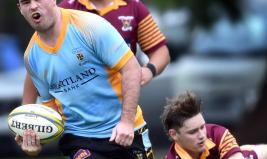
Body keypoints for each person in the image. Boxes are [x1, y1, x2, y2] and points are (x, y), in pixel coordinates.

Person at [16, 1, 202, 159]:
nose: (32, 6)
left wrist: (125, 122)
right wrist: (34, 142)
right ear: (20, 9)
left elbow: (132, 69)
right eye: (24, 2)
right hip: (81, 136)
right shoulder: (32, 56)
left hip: (124, 124)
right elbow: (49, 110)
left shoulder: (89, 26)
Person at [22, 0, 170, 103]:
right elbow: (37, 60)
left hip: (124, 102)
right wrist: (26, 114)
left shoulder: (134, 7)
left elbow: (160, 52)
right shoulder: (66, 8)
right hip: (82, 112)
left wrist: (149, 70)